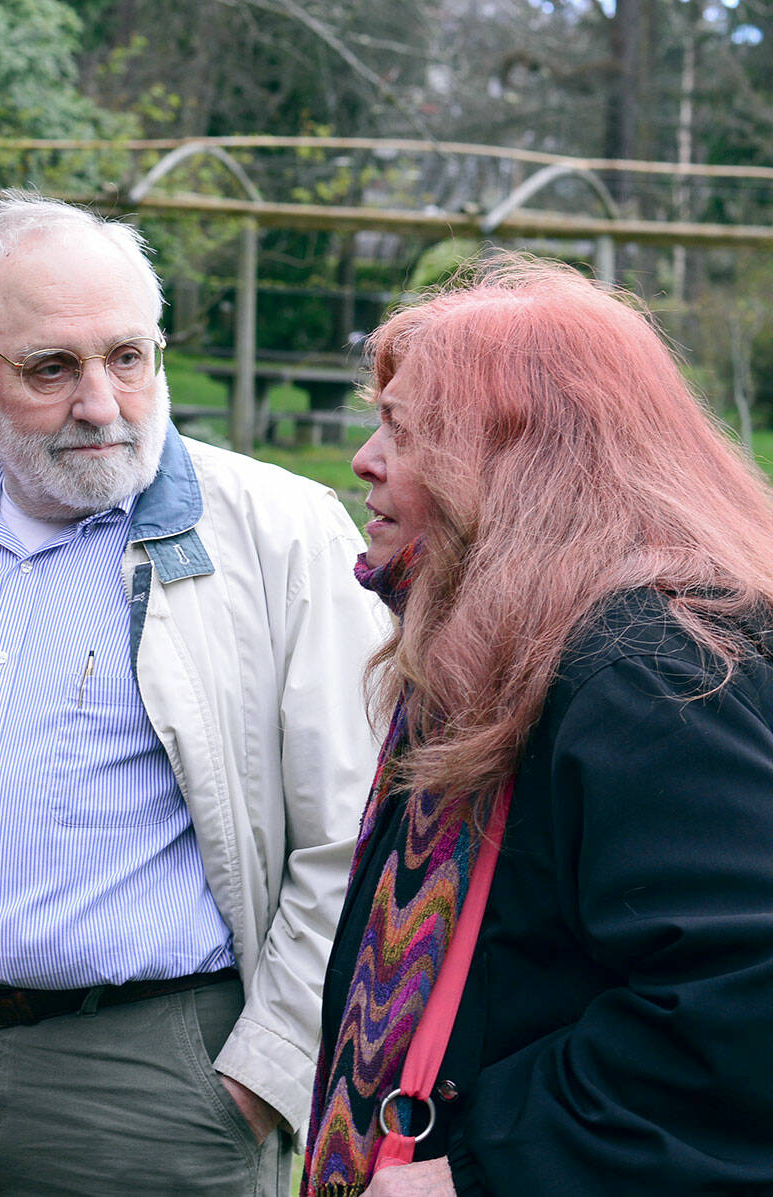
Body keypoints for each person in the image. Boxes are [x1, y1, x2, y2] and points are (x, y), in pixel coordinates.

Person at [0, 192, 389, 1195]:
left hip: (147, 1091)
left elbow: (354, 835)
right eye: (52, 368)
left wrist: (263, 1071)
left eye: (128, 357)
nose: (102, 402)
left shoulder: (283, 535)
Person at [304, 256, 773, 1195]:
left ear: (518, 461)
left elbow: (745, 998)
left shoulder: (647, 669)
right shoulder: (521, 634)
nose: (365, 458)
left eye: (401, 429)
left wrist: (483, 1169)